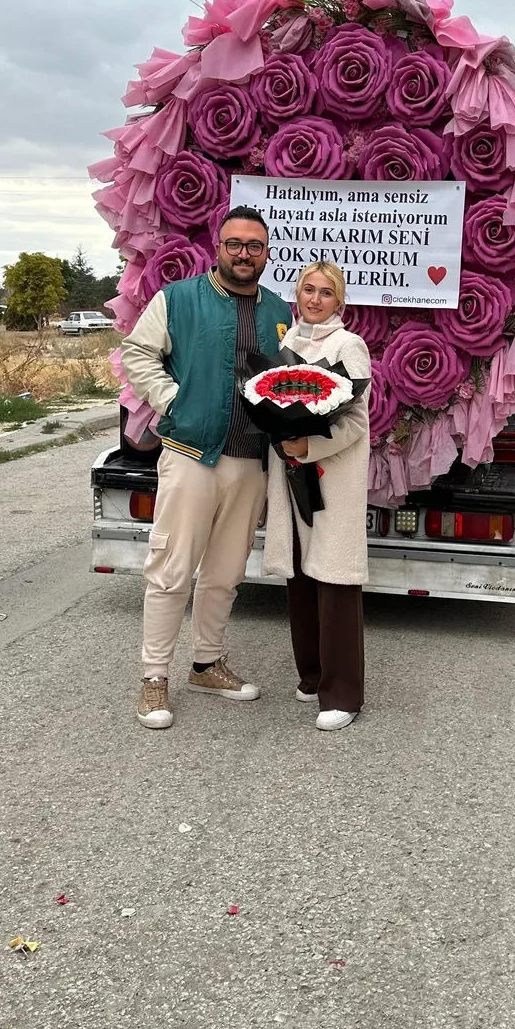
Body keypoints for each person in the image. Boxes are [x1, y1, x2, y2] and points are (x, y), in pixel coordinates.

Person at [119, 207, 289, 730]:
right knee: (172, 569)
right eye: (235, 243)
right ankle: (153, 678)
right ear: (218, 247)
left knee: (225, 573)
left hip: (248, 460)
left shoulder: (278, 310)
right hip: (192, 454)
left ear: (266, 253)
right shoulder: (178, 299)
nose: (244, 253)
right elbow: (137, 353)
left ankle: (207, 664)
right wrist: (174, 402)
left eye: (254, 245)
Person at [262, 262, 371, 731]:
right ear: (297, 293)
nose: (315, 299)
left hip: (330, 478)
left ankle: (343, 693)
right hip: (290, 476)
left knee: (335, 580)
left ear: (340, 302)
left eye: (326, 293)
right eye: (308, 289)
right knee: (300, 577)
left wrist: (311, 445)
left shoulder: (350, 346)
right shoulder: (287, 345)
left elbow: (356, 421)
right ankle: (312, 676)